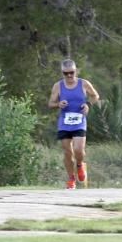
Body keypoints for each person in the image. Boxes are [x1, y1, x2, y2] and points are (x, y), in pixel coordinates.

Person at [48, 59, 100, 190]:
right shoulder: (58, 86)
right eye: (66, 73)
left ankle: (80, 165)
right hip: (64, 122)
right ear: (62, 73)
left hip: (79, 120)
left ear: (76, 71)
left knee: (78, 150)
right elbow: (50, 103)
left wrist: (88, 104)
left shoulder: (84, 83)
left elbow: (95, 96)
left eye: (71, 72)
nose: (69, 76)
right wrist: (58, 104)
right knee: (67, 152)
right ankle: (71, 179)